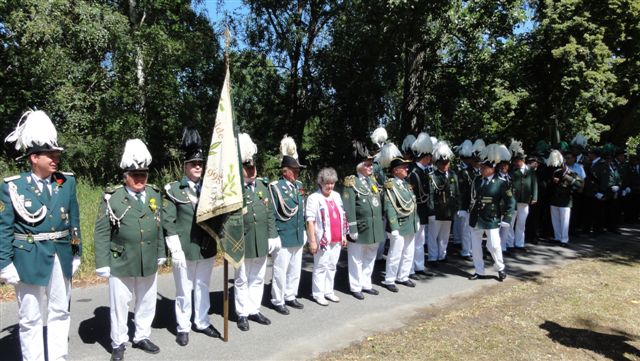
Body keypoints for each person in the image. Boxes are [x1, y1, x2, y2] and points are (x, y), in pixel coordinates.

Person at [0, 110, 82, 361]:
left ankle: (57, 356)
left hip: (61, 254)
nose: (56, 159)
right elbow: (4, 228)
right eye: (51, 155)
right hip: (29, 257)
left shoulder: (66, 182)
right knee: (30, 317)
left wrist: (77, 251)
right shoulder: (13, 186)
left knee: (60, 310)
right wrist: (4, 264)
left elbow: (74, 221)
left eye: (57, 155)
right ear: (34, 157)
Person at [94, 139, 165, 361]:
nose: (140, 179)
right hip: (121, 258)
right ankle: (118, 341)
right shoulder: (112, 197)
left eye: (143, 174)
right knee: (120, 304)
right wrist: (102, 262)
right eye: (135, 175)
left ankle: (142, 336)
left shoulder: (154, 193)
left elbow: (158, 225)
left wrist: (161, 252)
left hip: (149, 257)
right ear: (125, 176)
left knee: (146, 300)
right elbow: (102, 232)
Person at [162, 128, 219, 345]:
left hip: (206, 246)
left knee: (203, 286)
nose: (197, 167)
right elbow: (169, 220)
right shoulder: (174, 189)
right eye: (193, 164)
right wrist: (175, 248)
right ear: (185, 166)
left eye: (200, 164)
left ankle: (202, 321)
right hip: (184, 248)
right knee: (184, 290)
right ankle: (183, 326)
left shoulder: (211, 189)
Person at [235, 133, 279, 330]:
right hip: (242, 240)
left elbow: (269, 212)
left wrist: (272, 235)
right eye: (247, 167)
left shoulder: (262, 185)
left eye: (253, 167)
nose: (251, 170)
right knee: (242, 278)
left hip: (261, 239)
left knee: (258, 276)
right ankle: (242, 313)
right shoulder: (234, 188)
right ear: (240, 169)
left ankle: (254, 309)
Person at [342, 141, 385, 300]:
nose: (370, 167)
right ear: (359, 166)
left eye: (371, 164)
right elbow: (349, 207)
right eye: (367, 165)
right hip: (360, 227)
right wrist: (351, 228)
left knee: (370, 256)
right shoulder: (351, 182)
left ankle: (366, 283)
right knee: (356, 258)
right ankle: (356, 286)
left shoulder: (372, 182)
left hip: (373, 227)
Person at [269, 135, 307, 313]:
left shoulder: (299, 185)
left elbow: (302, 209)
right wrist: (274, 235)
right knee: (280, 270)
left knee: (295, 269)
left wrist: (305, 230)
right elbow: (273, 212)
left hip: (298, 233)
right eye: (294, 170)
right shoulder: (275, 187)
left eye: (298, 170)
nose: (297, 173)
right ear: (285, 171)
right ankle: (278, 299)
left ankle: (290, 295)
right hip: (284, 234)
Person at [468, 144, 515, 281]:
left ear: (492, 168)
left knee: (494, 245)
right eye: (481, 167)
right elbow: (470, 196)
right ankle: (479, 271)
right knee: (475, 246)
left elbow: (510, 201)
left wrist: (507, 218)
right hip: (476, 216)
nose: (481, 169)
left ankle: (500, 267)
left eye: (484, 167)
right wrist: (464, 209)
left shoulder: (501, 183)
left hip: (491, 217)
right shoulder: (477, 180)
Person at [379, 143, 418, 292]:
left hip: (410, 223)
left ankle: (403, 276)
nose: (407, 169)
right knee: (395, 253)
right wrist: (393, 227)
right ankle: (389, 279)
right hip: (399, 225)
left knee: (409, 252)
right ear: (396, 170)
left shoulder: (406, 185)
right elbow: (389, 207)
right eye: (404, 167)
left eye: (406, 167)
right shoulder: (390, 186)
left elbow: (413, 204)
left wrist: (417, 220)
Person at [306, 167, 347, 306]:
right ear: (320, 183)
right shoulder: (314, 198)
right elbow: (310, 221)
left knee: (332, 266)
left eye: (332, 183)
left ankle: (329, 291)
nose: (329, 186)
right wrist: (312, 241)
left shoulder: (336, 195)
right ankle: (318, 294)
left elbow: (342, 216)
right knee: (321, 266)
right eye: (326, 183)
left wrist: (344, 235)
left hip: (336, 237)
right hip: (322, 239)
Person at [427, 140, 460, 263]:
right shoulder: (432, 176)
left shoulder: (453, 175)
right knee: (433, 235)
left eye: (447, 162)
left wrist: (457, 207)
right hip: (436, 209)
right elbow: (430, 194)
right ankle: (432, 257)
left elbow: (456, 193)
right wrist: (431, 211)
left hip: (449, 209)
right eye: (442, 162)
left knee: (445, 235)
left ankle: (442, 254)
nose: (445, 165)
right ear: (437, 163)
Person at [407, 132, 433, 278]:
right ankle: (410, 269)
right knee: (412, 241)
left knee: (420, 240)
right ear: (426, 157)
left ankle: (419, 266)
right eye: (429, 157)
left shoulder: (422, 171)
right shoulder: (413, 172)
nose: (430, 159)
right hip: (414, 210)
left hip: (422, 210)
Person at [547, 150, 584, 246]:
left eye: (562, 166)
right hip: (555, 199)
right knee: (555, 220)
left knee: (564, 221)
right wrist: (552, 181)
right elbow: (548, 185)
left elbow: (579, 184)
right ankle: (557, 237)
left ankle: (564, 239)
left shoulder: (571, 173)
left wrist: (567, 177)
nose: (561, 168)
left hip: (565, 200)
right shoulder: (555, 172)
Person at [453, 139, 480, 259]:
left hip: (477, 204)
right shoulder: (464, 172)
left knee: (475, 230)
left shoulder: (479, 173)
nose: (477, 163)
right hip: (467, 204)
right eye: (475, 160)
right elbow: (461, 191)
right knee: (466, 229)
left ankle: (473, 250)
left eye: (478, 161)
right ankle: (465, 251)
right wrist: (461, 207)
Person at [508, 140, 537, 250]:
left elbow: (534, 184)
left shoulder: (530, 170)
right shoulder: (512, 170)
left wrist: (534, 197)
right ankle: (509, 243)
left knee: (521, 223)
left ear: (522, 160)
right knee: (511, 222)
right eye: (515, 161)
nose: (516, 163)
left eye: (518, 161)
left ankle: (519, 243)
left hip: (525, 200)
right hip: (514, 200)